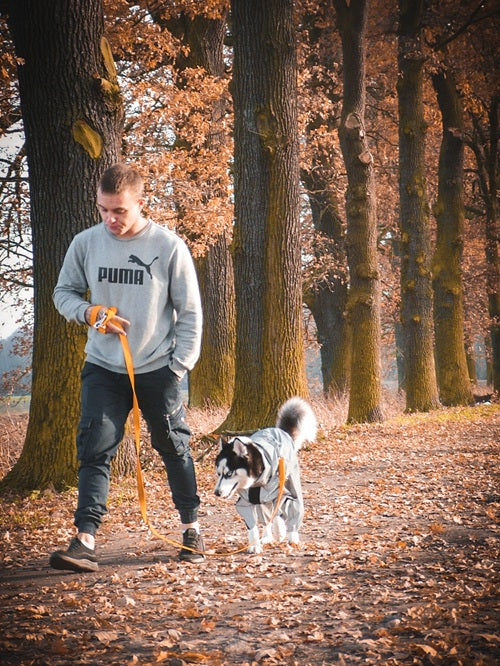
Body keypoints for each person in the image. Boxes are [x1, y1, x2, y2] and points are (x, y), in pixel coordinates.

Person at [49, 163, 204, 571]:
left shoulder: (169, 246)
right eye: (103, 210)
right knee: (94, 449)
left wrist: (178, 367)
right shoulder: (86, 243)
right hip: (103, 366)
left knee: (173, 447)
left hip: (158, 367)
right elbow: (63, 293)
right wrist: (89, 313)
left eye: (119, 210)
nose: (110, 219)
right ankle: (85, 540)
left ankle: (191, 530)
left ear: (140, 203)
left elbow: (190, 312)